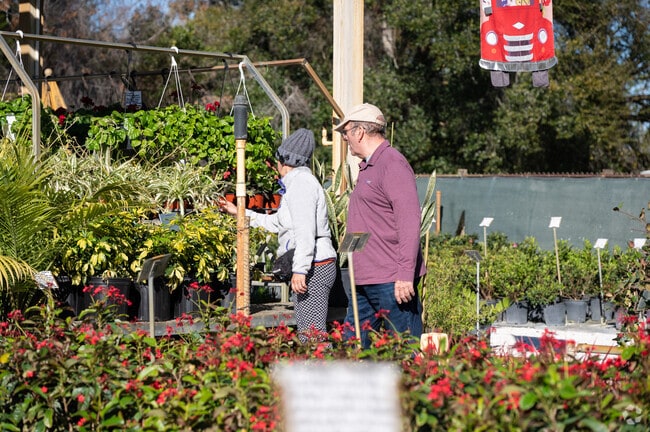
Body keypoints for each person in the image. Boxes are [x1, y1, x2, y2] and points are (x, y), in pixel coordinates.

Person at [219, 128, 337, 343]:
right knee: (308, 332)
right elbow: (276, 223)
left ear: (284, 161)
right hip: (313, 265)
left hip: (314, 267)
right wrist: (240, 212)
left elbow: (305, 232)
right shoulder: (295, 186)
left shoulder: (301, 185)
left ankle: (322, 371)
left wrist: (300, 270)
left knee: (312, 334)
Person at [334, 103, 425, 348]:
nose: (345, 138)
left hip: (391, 281)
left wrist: (405, 275)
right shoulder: (367, 166)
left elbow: (409, 221)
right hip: (363, 279)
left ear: (360, 132)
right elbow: (369, 220)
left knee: (404, 350)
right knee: (354, 350)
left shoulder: (392, 163)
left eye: (346, 132)